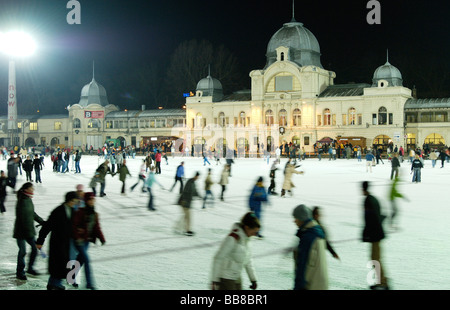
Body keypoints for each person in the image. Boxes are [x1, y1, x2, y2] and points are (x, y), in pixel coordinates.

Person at [37, 191, 80, 290]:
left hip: (67, 243)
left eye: (76, 201)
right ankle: (54, 284)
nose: (75, 203)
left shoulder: (73, 211)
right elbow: (47, 227)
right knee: (58, 265)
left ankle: (54, 283)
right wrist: (40, 240)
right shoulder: (58, 211)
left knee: (62, 265)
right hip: (57, 243)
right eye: (73, 201)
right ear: (68, 200)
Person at [211, 212, 260, 290]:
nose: (255, 234)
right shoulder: (233, 238)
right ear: (247, 227)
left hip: (236, 277)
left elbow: (248, 261)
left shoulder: (247, 240)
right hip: (225, 277)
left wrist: (253, 280)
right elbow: (218, 258)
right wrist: (214, 280)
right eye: (254, 232)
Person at [72, 192, 106, 290]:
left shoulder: (95, 214)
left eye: (93, 199)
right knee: (86, 260)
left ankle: (71, 276)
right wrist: (78, 236)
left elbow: (97, 228)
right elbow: (74, 226)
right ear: (86, 201)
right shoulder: (80, 212)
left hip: (86, 241)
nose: (92, 201)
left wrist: (102, 238)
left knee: (80, 260)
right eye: (90, 199)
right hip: (79, 241)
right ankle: (89, 283)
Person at [13, 182, 45, 280]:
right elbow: (22, 218)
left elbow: (32, 213)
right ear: (26, 189)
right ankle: (20, 272)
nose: (33, 190)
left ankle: (30, 268)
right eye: (31, 188)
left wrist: (42, 222)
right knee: (22, 252)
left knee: (35, 249)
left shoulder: (28, 199)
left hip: (28, 231)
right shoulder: (22, 200)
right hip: (21, 231)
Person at [292, 204, 328, 290]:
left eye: (296, 218)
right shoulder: (316, 232)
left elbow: (303, 264)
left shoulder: (308, 237)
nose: (294, 221)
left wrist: (298, 286)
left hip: (312, 285)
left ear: (302, 218)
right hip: (320, 283)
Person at [361, 181, 389, 290]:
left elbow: (370, 219)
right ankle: (381, 280)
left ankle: (382, 282)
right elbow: (379, 216)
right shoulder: (373, 199)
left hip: (375, 234)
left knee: (375, 259)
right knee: (375, 258)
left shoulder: (368, 201)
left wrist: (367, 234)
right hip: (376, 233)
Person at [176, 172, 201, 236]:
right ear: (195, 176)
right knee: (188, 217)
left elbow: (195, 191)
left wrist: (199, 196)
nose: (198, 178)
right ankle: (187, 230)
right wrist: (183, 200)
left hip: (188, 202)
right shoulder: (189, 182)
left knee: (185, 216)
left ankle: (178, 228)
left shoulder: (193, 183)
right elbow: (185, 191)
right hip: (185, 202)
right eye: (197, 177)